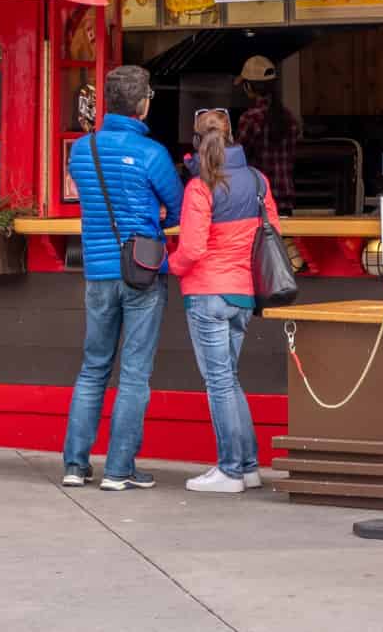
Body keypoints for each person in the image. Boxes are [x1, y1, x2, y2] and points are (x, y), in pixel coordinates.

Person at [62, 64, 183, 491]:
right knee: (133, 372)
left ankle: (75, 466)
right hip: (142, 271)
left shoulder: (81, 150)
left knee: (93, 367)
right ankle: (119, 468)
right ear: (143, 105)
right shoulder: (152, 155)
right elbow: (178, 206)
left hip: (97, 271)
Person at [169, 109, 281, 494]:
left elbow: (193, 248)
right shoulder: (257, 180)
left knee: (218, 383)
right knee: (229, 380)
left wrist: (172, 265)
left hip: (206, 294)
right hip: (242, 293)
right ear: (232, 135)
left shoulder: (200, 187)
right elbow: (274, 233)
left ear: (198, 142)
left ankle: (230, 470)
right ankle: (248, 467)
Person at [234, 55, 299, 211]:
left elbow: (236, 159)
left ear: (249, 87)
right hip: (285, 202)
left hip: (259, 201)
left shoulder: (250, 119)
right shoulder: (289, 118)